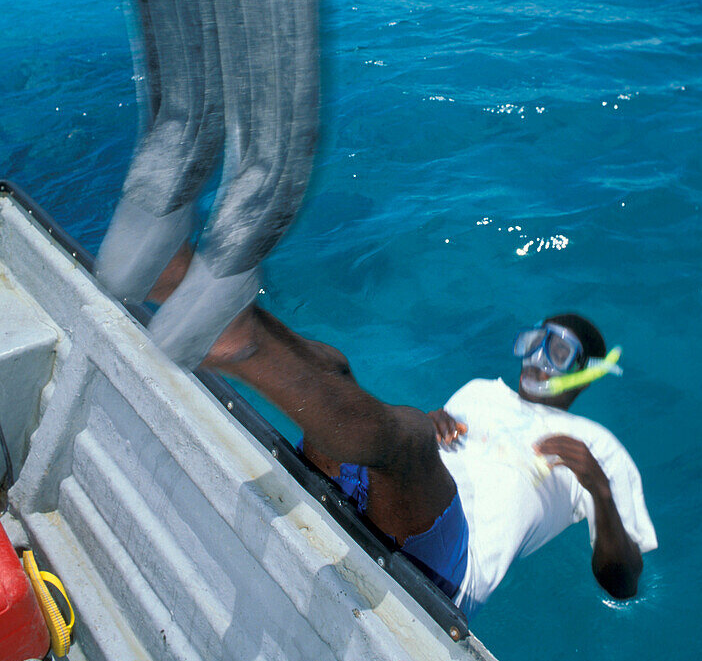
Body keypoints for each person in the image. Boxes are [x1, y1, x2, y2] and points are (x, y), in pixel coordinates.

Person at [152, 256, 656, 619]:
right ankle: (207, 300)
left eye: (557, 352)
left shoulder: (598, 446)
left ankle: (239, 341)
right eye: (533, 342)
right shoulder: (482, 390)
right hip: (391, 495)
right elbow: (427, 455)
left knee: (408, 433)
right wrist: (437, 422)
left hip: (448, 572)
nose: (536, 359)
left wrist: (600, 491)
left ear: (585, 375)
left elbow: (623, 583)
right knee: (333, 365)